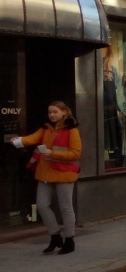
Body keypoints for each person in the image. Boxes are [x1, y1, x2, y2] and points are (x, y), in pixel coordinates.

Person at [10, 101, 82, 255]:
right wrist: (18, 141)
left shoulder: (72, 130)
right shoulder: (46, 128)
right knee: (42, 205)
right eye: (50, 112)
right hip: (46, 173)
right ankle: (55, 236)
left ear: (64, 112)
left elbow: (76, 153)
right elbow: (32, 138)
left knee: (65, 207)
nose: (51, 115)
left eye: (55, 112)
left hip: (64, 173)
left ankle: (69, 239)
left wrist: (52, 154)